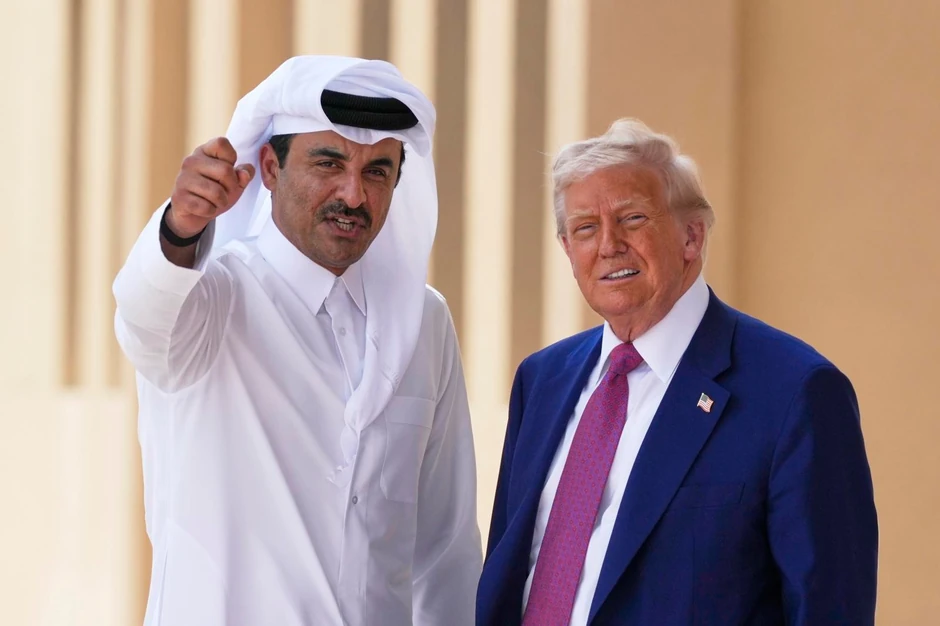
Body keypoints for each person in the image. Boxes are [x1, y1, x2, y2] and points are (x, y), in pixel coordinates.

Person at [113, 56, 481, 626]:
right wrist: (180, 228)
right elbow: (145, 314)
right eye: (328, 163)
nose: (353, 195)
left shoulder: (423, 321)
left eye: (377, 171)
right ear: (270, 167)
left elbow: (444, 549)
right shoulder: (212, 299)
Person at [476, 119, 877, 625]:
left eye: (632, 218)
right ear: (567, 250)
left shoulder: (796, 392)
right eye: (585, 228)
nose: (608, 245)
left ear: (692, 236)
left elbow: (830, 608)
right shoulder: (542, 381)